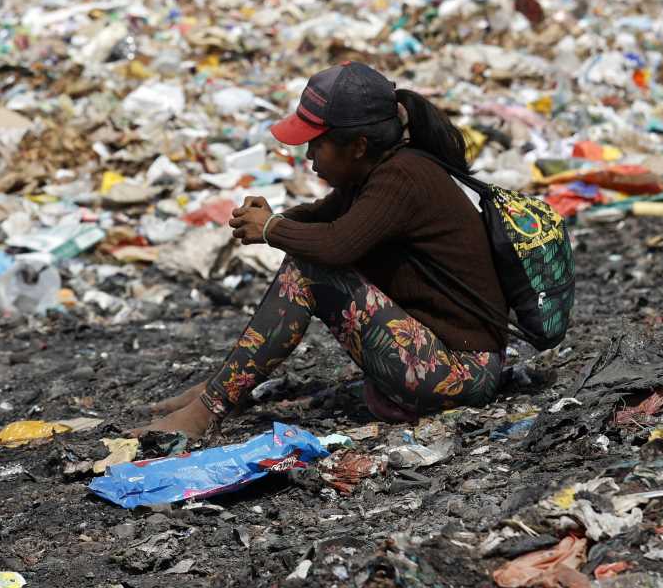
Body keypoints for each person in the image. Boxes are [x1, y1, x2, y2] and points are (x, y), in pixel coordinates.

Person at [139, 62, 507, 439]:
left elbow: (335, 246)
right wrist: (271, 218)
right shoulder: (377, 172)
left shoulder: (403, 178)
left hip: (462, 373)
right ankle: (221, 388)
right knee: (304, 254)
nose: (310, 155)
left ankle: (212, 406)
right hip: (440, 360)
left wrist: (270, 228)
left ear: (358, 146)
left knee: (309, 271)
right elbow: (320, 218)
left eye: (317, 143)